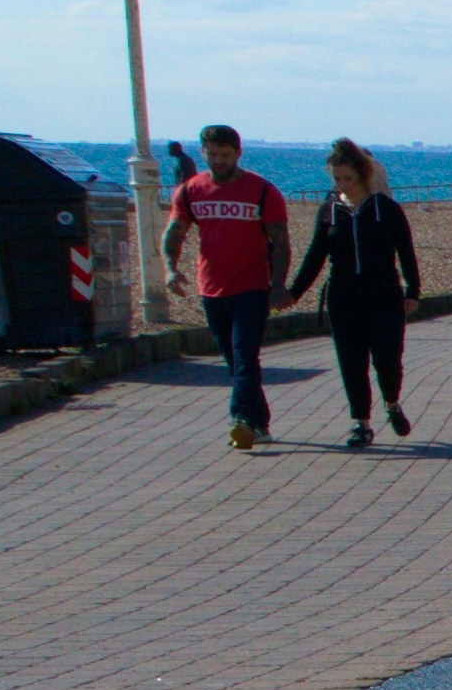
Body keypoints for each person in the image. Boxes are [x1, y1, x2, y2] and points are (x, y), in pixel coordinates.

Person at [161, 121, 297, 450]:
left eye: (225, 154)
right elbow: (175, 233)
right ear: (203, 153)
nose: (218, 161)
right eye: (212, 154)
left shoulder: (263, 191)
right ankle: (260, 423)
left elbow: (280, 241)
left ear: (238, 153)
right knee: (235, 362)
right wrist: (170, 269)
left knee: (246, 356)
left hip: (252, 287)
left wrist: (278, 284)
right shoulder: (190, 190)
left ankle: (239, 419)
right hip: (211, 288)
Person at [281, 139, 421, 450]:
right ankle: (362, 422)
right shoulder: (330, 211)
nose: (343, 185)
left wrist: (413, 291)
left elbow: (406, 253)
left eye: (349, 178)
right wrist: (293, 292)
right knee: (351, 361)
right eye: (337, 179)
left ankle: (392, 403)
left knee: (387, 360)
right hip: (344, 297)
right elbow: (315, 256)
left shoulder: (386, 209)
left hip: (384, 295)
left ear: (363, 175)